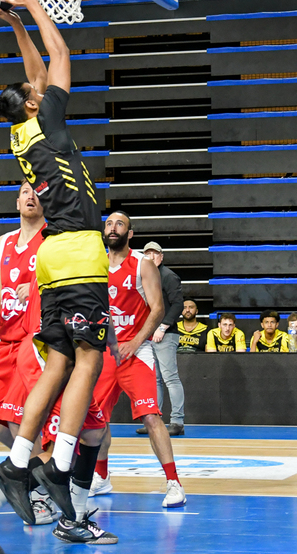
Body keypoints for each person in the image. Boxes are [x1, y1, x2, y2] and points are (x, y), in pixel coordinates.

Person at [0, 0, 117, 552]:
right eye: (37, 90)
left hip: (55, 258)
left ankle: (20, 462)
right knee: (89, 359)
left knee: (60, 360)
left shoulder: (24, 132)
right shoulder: (46, 122)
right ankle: (57, 466)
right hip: (76, 252)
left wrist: (14, 22)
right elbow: (60, 56)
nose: (44, 86)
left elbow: (37, 72)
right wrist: (34, 3)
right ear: (31, 104)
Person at [0, 180, 59, 526]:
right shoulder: (3, 242)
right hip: (4, 339)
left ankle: (40, 496)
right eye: (25, 191)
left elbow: (62, 285)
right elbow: (2, 288)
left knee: (18, 420)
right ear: (17, 200)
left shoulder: (53, 239)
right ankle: (35, 473)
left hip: (32, 339)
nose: (30, 196)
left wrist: (36, 285)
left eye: (36, 191)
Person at [90, 212, 186, 508]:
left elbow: (157, 309)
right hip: (105, 352)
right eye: (109, 223)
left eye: (120, 224)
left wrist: (135, 341)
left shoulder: (142, 264)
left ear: (130, 233)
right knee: (95, 419)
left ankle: (174, 483)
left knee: (151, 417)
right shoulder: (95, 264)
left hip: (137, 351)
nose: (113, 228)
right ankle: (101, 476)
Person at [138, 241, 185, 437]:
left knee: (170, 378)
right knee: (155, 379)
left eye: (155, 254)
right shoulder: (145, 276)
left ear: (161, 256)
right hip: (150, 334)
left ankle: (177, 421)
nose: (151, 257)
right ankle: (154, 422)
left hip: (166, 333)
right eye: (147, 254)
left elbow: (178, 304)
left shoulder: (168, 276)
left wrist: (163, 326)